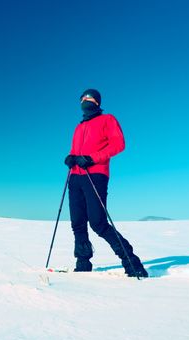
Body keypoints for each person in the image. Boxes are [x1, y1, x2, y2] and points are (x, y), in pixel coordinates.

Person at [64, 88, 148, 278]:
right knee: (77, 222)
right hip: (75, 176)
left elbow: (119, 145)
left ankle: (131, 262)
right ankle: (83, 263)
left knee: (98, 222)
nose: (86, 100)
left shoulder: (107, 119)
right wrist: (71, 158)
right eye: (83, 98)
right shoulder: (78, 127)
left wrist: (92, 158)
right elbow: (76, 151)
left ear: (98, 102)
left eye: (90, 97)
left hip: (95, 175)